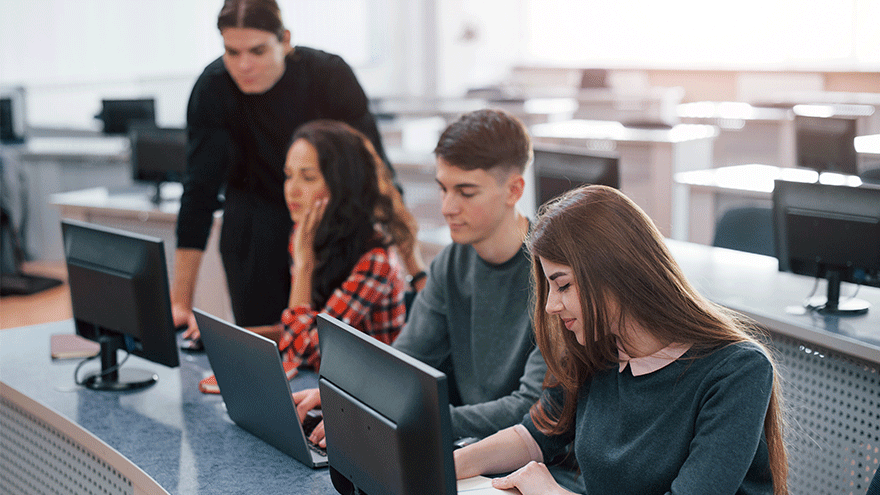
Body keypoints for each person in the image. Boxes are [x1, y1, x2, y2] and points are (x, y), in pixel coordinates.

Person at [293, 109, 582, 492]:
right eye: (443, 188)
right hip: (466, 454)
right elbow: (406, 361)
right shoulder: (452, 262)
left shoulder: (553, 277)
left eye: (465, 192)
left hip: (532, 467)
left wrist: (407, 423)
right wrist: (350, 396)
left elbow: (528, 409)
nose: (447, 207)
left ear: (514, 190)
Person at [454, 185, 789, 495]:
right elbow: (534, 436)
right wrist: (447, 465)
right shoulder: (594, 350)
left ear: (616, 275)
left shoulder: (737, 371)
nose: (550, 306)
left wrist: (552, 492)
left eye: (564, 286)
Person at [172, 0, 411, 334]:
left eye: (257, 51)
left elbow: (376, 169)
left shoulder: (328, 75)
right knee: (271, 353)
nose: (243, 65)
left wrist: (415, 270)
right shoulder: (213, 87)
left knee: (326, 341)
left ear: (284, 40)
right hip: (254, 223)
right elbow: (198, 192)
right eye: (232, 52)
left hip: (330, 219)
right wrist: (180, 304)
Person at [274, 120, 415, 368]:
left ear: (342, 186)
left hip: (369, 398)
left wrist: (304, 265)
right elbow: (300, 329)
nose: (291, 190)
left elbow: (302, 353)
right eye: (288, 175)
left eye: (308, 178)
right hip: (328, 386)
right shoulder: (308, 234)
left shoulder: (376, 260)